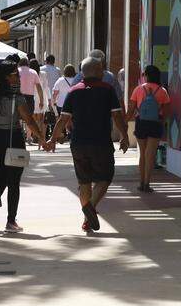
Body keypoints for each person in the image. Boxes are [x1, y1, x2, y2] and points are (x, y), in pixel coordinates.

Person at [54, 57, 129, 233]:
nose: (103, 71)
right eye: (101, 69)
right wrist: (124, 136)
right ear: (97, 71)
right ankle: (90, 208)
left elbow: (63, 118)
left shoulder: (74, 91)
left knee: (84, 181)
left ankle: (88, 219)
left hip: (78, 143)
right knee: (105, 178)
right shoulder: (107, 90)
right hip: (101, 142)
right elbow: (117, 116)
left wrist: (52, 139)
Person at [0, 62, 53, 233]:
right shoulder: (17, 97)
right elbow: (29, 120)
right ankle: (11, 221)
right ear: (6, 76)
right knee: (14, 182)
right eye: (14, 74)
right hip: (14, 138)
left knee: (0, 177)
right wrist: (42, 139)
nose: (18, 78)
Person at [127, 65, 170, 192]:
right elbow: (166, 111)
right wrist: (161, 120)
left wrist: (125, 122)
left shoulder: (138, 89)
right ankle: (147, 183)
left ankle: (141, 182)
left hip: (141, 122)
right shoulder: (162, 91)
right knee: (150, 155)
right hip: (155, 123)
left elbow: (131, 108)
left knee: (142, 154)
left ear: (146, 75)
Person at [50, 64, 78, 138]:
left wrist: (53, 102)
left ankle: (63, 134)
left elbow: (54, 93)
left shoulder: (60, 80)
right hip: (74, 103)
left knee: (62, 120)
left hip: (61, 104)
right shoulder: (76, 80)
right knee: (71, 119)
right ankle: (71, 133)